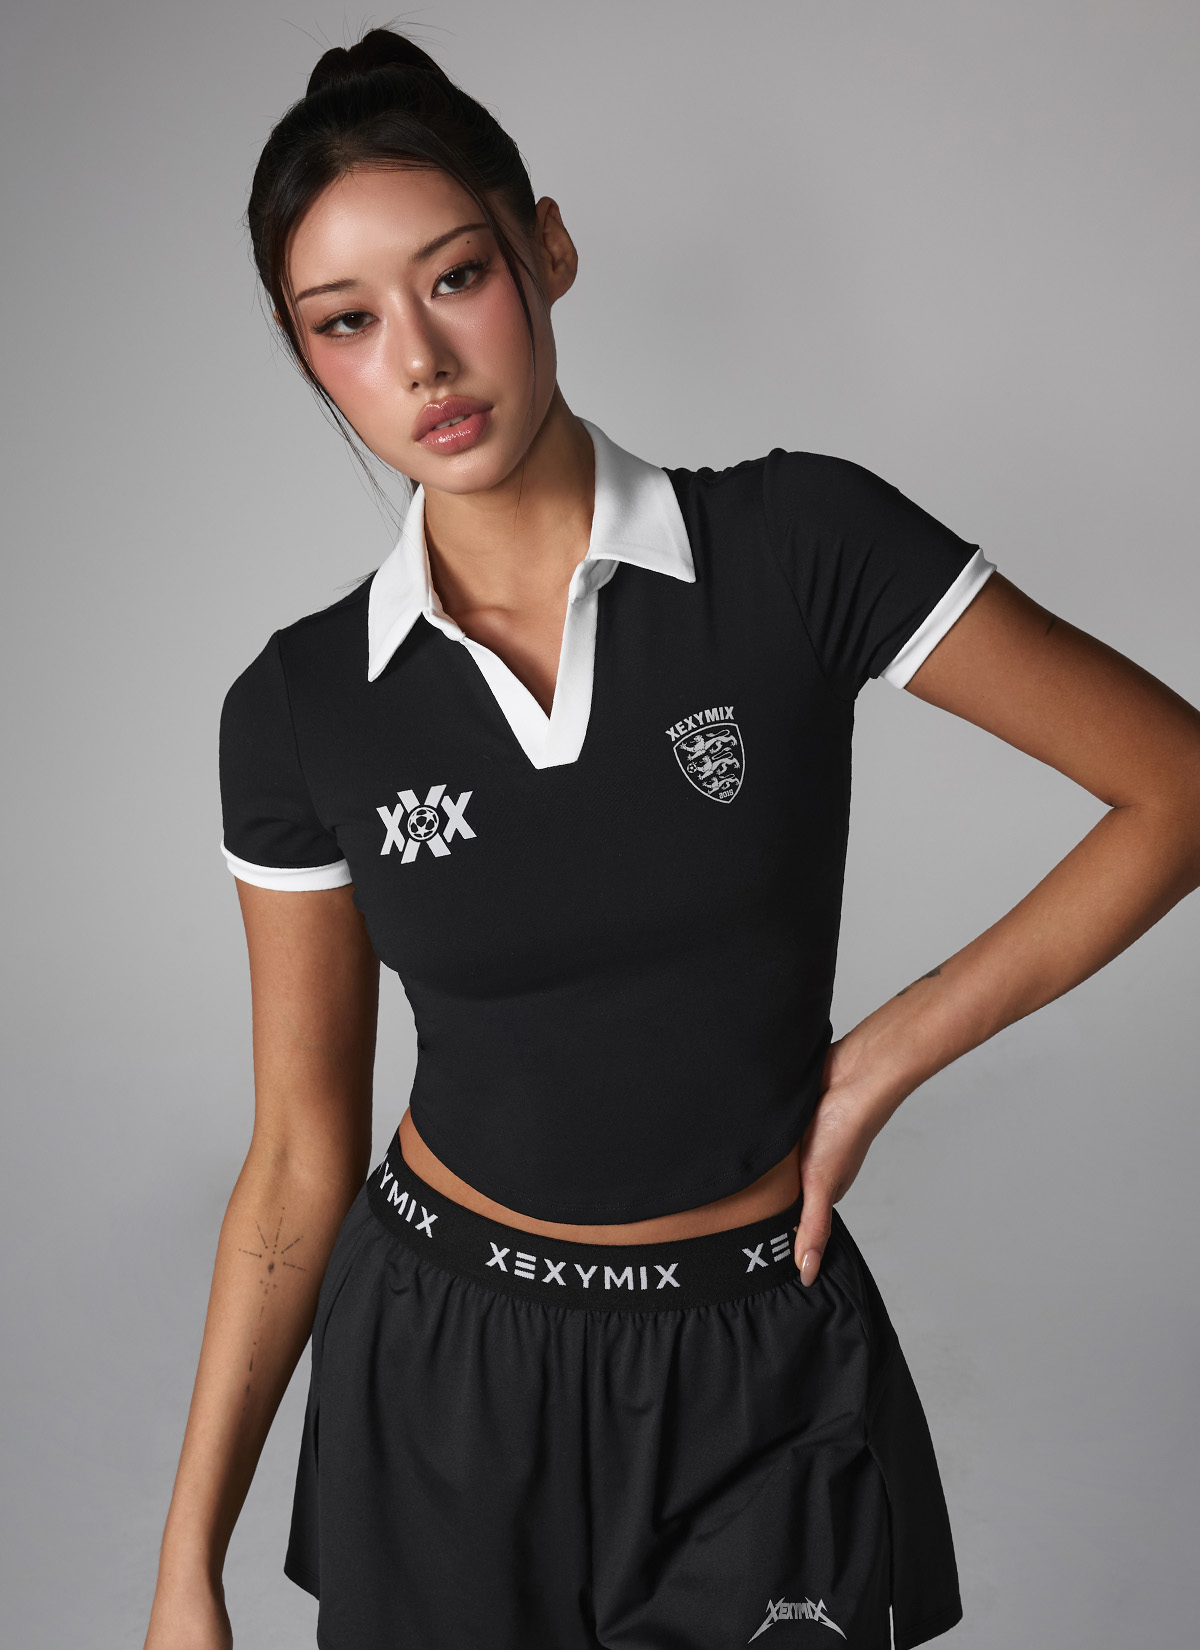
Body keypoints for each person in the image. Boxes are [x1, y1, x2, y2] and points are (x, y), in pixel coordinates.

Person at [143, 27, 1200, 1650]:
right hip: (441, 1370)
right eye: (346, 322)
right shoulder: (298, 707)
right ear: (309, 358)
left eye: (457, 277)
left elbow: (1175, 783)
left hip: (755, 1364)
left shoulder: (797, 544)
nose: (420, 361)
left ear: (547, 250)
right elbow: (298, 1150)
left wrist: (883, 1055)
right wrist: (186, 1566)